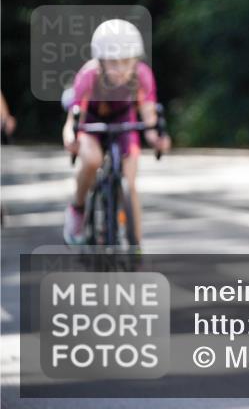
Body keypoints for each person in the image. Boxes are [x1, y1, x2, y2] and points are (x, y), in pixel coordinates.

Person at [62, 19, 171, 248]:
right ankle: (78, 208)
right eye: (113, 62)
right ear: (101, 61)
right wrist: (70, 138)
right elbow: (73, 119)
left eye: (126, 61)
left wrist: (156, 138)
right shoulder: (88, 75)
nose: (121, 69)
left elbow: (148, 115)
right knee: (91, 160)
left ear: (135, 60)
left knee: (130, 183)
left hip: (124, 121)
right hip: (92, 122)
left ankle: (135, 246)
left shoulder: (142, 75)